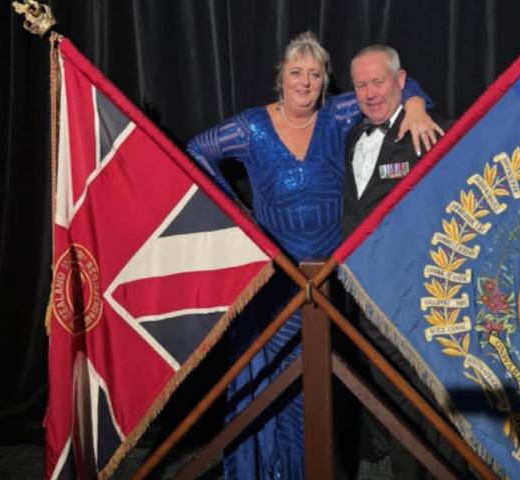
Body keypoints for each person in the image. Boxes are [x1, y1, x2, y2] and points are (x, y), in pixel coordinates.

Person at [187, 32, 439, 480]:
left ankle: (325, 468)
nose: (304, 82)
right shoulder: (250, 127)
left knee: (326, 382)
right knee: (283, 387)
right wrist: (239, 217)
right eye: (296, 72)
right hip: (277, 285)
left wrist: (417, 107)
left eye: (315, 74)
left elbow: (401, 86)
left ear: (325, 82)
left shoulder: (339, 114)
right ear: (280, 77)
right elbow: (196, 152)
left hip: (332, 283)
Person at [342, 44, 467, 480]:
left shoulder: (428, 132)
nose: (370, 93)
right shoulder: (353, 136)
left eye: (379, 82)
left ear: (401, 81)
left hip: (415, 302)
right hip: (363, 298)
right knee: (388, 402)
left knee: (428, 405)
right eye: (361, 84)